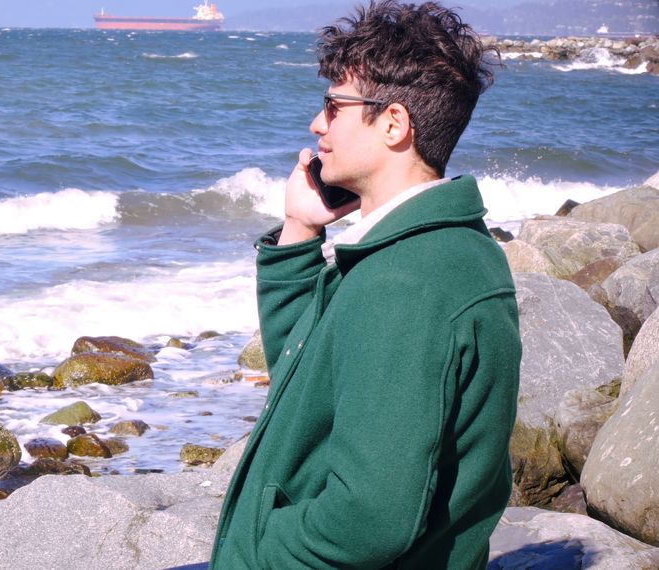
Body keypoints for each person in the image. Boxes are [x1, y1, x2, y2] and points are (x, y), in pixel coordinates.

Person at [210, 1, 521, 568]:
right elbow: (307, 385)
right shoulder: (437, 248)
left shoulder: (407, 282)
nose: (316, 125)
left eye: (334, 107)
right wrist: (300, 231)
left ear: (395, 124)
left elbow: (367, 522)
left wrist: (253, 550)